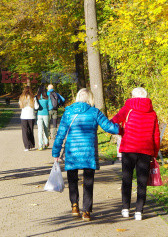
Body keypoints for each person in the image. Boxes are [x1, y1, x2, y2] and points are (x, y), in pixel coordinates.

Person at [52, 88, 119, 221]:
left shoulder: (68, 112)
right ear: (90, 98)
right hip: (88, 152)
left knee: (72, 180)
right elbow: (109, 127)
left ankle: (74, 206)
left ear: (77, 97)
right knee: (88, 181)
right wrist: (123, 127)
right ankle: (86, 211)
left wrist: (56, 152)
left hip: (72, 152)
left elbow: (60, 134)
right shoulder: (94, 112)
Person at [111, 87, 160, 221]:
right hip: (145, 150)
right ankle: (139, 211)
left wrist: (122, 131)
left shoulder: (127, 108)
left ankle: (125, 208)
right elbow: (156, 134)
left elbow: (113, 122)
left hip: (128, 149)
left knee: (126, 179)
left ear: (132, 96)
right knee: (142, 181)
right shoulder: (153, 113)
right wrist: (154, 153)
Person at [19, 86, 36, 151]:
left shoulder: (21, 97)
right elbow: (36, 106)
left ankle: (26, 146)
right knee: (31, 130)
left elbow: (20, 105)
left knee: (24, 131)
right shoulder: (33, 98)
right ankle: (31, 144)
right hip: (31, 115)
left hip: (24, 116)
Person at [34, 85, 50, 150]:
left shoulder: (36, 97)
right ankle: (46, 143)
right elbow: (50, 106)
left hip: (39, 114)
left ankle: (40, 145)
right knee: (46, 129)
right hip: (46, 114)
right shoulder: (47, 97)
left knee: (40, 130)